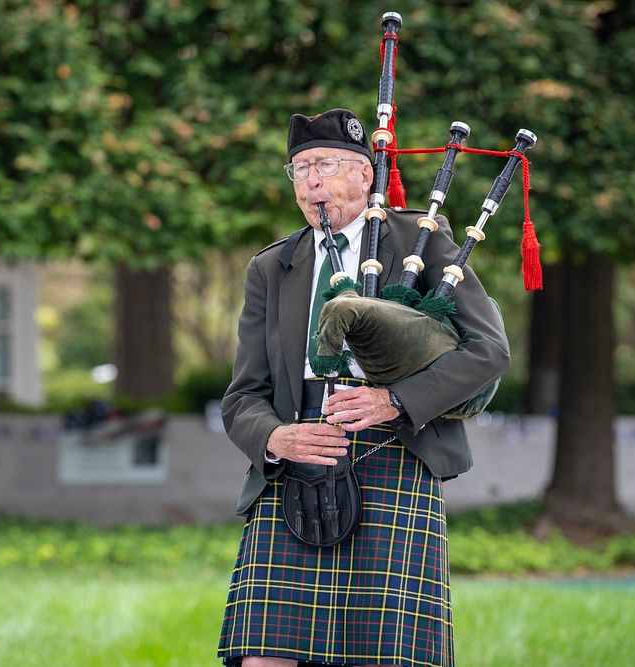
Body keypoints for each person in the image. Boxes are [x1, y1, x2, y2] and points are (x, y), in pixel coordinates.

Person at [216, 108, 510, 667]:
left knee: (387, 657)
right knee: (262, 657)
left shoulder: (421, 240)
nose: (311, 182)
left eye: (324, 165)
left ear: (365, 174)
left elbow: (489, 351)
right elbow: (243, 395)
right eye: (298, 169)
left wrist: (394, 400)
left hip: (394, 453)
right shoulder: (273, 267)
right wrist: (277, 439)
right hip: (295, 470)